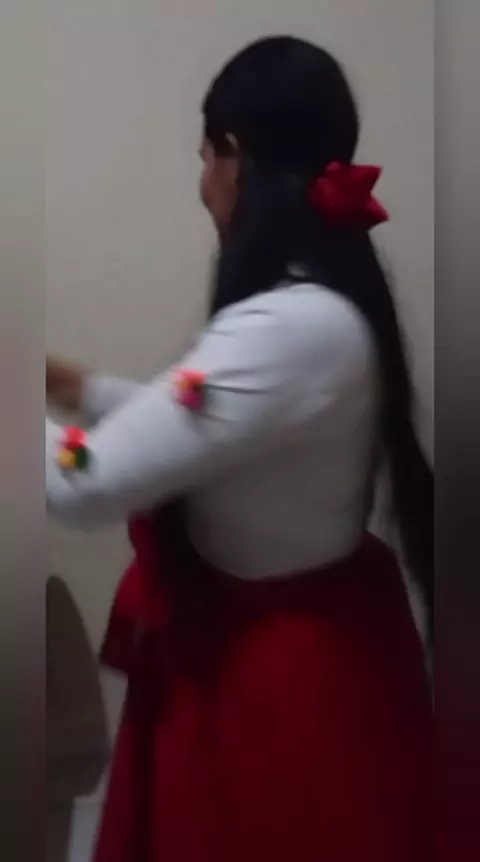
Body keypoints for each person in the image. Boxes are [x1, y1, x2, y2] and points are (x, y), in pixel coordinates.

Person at [46, 36, 433, 862]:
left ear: (233, 156)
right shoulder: (315, 310)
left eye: (205, 158)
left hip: (277, 686)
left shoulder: (288, 329)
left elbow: (88, 480)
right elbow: (211, 428)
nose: (203, 186)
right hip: (305, 639)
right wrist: (76, 389)